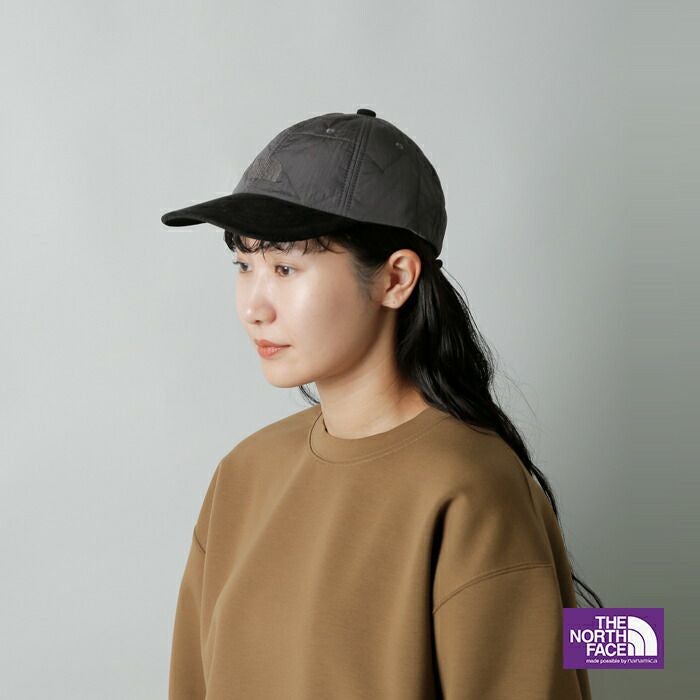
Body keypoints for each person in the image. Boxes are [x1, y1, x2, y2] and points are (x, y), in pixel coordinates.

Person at [161, 108, 602, 699]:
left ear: (396, 279)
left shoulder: (472, 490)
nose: (253, 307)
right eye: (244, 265)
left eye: (286, 267)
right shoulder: (243, 475)